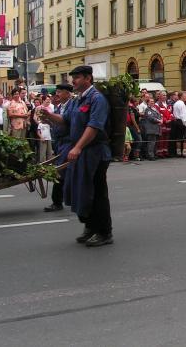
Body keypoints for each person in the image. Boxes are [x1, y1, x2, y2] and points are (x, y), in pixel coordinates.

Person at [40, 65, 113, 247]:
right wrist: (49, 116)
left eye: (77, 77)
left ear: (88, 78)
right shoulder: (76, 100)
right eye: (73, 77)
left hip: (95, 152)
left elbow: (94, 126)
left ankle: (104, 232)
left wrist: (78, 147)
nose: (73, 81)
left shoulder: (97, 99)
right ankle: (90, 226)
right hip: (80, 152)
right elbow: (66, 121)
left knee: (97, 193)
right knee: (82, 191)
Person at [44, 83, 74, 212]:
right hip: (59, 143)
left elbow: (67, 123)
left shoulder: (72, 106)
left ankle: (57, 202)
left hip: (68, 142)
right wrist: (48, 121)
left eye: (60, 92)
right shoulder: (59, 107)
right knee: (63, 172)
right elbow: (57, 123)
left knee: (60, 172)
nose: (57, 94)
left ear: (68, 93)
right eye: (57, 92)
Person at [172, 91, 186, 157]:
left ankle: (178, 153)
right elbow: (183, 115)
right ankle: (185, 153)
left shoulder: (176, 103)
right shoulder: (182, 103)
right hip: (181, 122)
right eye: (185, 96)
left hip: (177, 121)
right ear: (181, 96)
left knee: (178, 138)